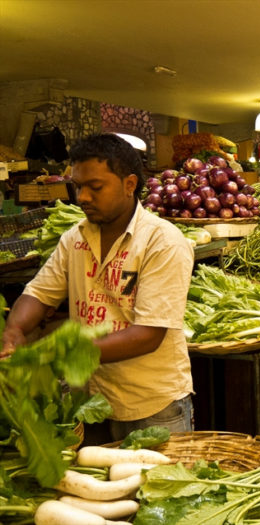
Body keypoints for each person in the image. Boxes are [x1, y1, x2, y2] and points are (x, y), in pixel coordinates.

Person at [1, 133, 195, 440]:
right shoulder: (74, 239)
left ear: (129, 184)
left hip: (151, 407)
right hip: (89, 401)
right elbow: (38, 293)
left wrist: (59, 354)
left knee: (154, 486)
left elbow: (148, 335)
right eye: (78, 187)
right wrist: (14, 331)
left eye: (95, 187)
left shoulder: (162, 242)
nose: (83, 197)